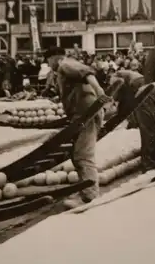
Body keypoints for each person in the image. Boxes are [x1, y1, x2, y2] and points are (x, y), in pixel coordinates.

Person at [44, 46, 110, 209]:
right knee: (77, 155)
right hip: (81, 114)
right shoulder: (62, 70)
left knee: (83, 155)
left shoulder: (64, 64)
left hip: (87, 113)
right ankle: (85, 192)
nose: (48, 65)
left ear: (54, 58)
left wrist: (99, 91)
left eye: (48, 61)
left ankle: (91, 197)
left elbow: (86, 73)